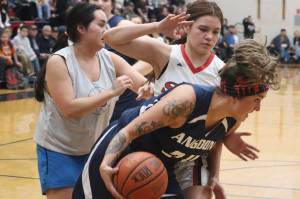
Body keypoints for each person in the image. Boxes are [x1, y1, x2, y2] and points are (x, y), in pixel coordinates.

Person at [72, 39, 280, 199]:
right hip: (119, 152)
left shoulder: (234, 117)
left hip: (159, 167)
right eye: (257, 99)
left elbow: (214, 139)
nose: (258, 108)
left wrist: (214, 175)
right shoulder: (185, 101)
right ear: (237, 95)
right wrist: (105, 164)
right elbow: (128, 131)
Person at [103, 1, 260, 197]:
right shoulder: (165, 54)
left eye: (215, 31)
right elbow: (110, 38)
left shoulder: (223, 73)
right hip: (154, 145)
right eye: (203, 29)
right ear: (187, 27)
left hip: (191, 153)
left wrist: (215, 174)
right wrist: (157, 26)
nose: (209, 37)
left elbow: (215, 133)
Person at [34, 3, 152, 199]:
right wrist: (111, 92)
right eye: (101, 24)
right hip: (59, 149)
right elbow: (70, 109)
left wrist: (147, 88)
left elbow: (144, 86)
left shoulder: (110, 58)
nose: (107, 30)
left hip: (93, 148)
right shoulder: (59, 61)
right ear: (81, 28)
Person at [88, 0, 153, 122]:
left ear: (112, 4)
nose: (100, 3)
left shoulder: (122, 25)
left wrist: (124, 73)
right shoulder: (82, 29)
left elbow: (152, 56)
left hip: (124, 104)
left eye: (105, 0)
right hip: (96, 103)